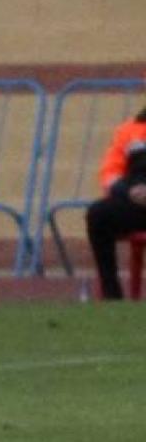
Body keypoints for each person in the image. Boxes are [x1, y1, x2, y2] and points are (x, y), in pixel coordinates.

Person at [84, 97, 146, 300]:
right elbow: (110, 174)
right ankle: (112, 297)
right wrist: (129, 192)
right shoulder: (128, 130)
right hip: (137, 202)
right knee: (98, 214)